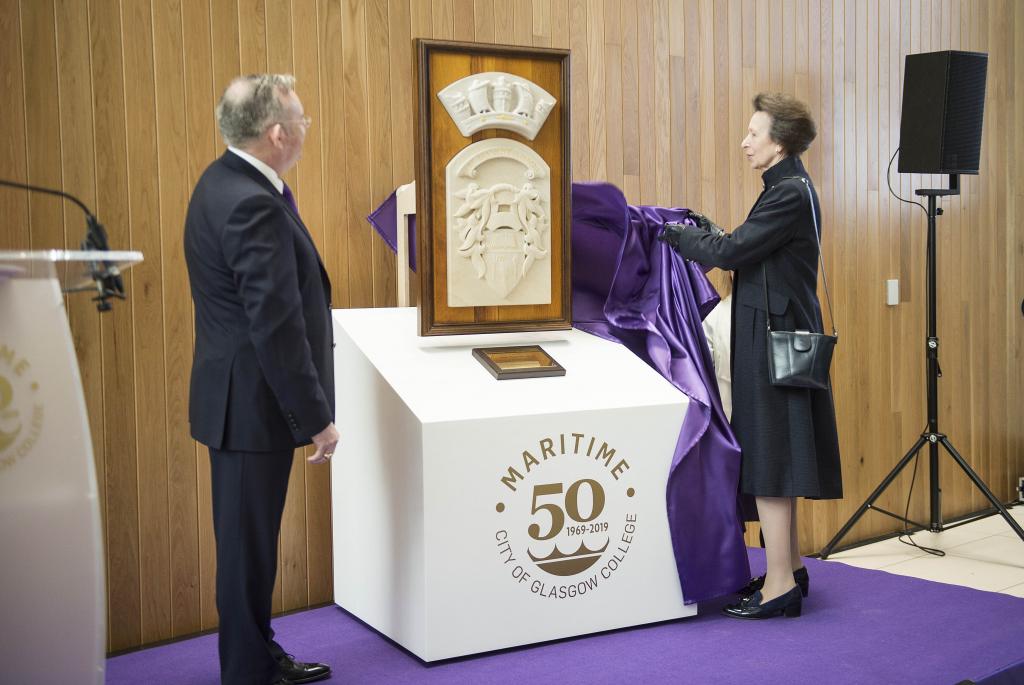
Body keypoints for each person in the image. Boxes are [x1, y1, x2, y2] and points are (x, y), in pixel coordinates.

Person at [659, 92, 842, 619]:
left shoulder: (787, 193)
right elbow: (747, 249)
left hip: (772, 341)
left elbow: (733, 254)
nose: (744, 142)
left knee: (768, 461)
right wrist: (710, 232)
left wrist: (677, 236)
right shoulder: (788, 189)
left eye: (753, 133)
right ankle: (792, 568)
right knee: (776, 456)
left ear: (778, 142)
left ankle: (781, 584)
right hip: (777, 334)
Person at [184, 74, 338, 684]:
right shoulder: (250, 201)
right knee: (247, 551)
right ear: (277, 133)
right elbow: (274, 327)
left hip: (238, 400)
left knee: (247, 548)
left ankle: (255, 654)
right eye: (301, 121)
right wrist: (318, 417)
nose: (304, 132)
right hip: (253, 404)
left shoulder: (220, 180)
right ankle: (247, 672)